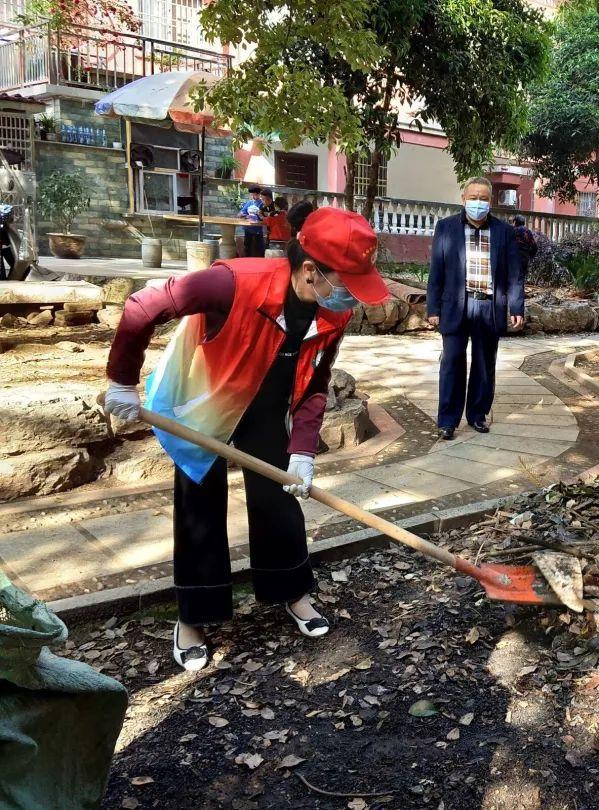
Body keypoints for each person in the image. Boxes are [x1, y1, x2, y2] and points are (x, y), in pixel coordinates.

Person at [102, 205, 388, 672]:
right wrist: (121, 380)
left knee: (280, 498)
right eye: (348, 281)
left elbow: (316, 384)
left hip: (267, 409)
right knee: (199, 504)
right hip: (206, 403)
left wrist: (302, 452)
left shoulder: (333, 315)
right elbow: (142, 307)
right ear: (311, 269)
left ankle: (291, 592)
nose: (351, 296)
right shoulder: (232, 281)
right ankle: (193, 617)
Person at [426, 177, 524, 440]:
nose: (478, 203)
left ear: (490, 202)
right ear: (463, 199)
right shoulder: (446, 228)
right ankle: (447, 420)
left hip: (489, 306)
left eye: (483, 198)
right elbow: (436, 271)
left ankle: (477, 415)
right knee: (452, 363)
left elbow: (514, 274)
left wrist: (517, 307)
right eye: (473, 197)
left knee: (484, 364)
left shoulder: (504, 232)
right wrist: (432, 308)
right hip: (455, 306)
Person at [239, 186, 265, 258]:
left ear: (259, 194)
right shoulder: (249, 203)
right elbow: (241, 213)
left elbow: (263, 216)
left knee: (259, 247)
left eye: (255, 195)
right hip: (248, 228)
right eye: (252, 195)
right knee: (247, 246)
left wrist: (258, 216)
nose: (253, 196)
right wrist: (244, 215)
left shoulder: (262, 203)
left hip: (257, 228)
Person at [511, 214, 537, 281]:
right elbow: (534, 246)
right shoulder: (527, 231)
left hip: (512, 257)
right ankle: (520, 291)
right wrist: (530, 255)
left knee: (512, 279)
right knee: (521, 278)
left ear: (515, 222)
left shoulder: (511, 231)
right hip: (524, 257)